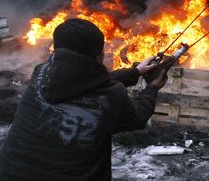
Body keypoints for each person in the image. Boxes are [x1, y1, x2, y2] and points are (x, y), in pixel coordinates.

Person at [0, 18, 167, 180]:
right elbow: (137, 119)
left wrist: (135, 71)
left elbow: (87, 80)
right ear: (99, 56)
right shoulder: (111, 95)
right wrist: (152, 88)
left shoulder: (41, 73)